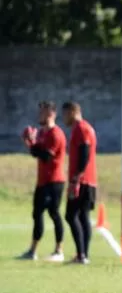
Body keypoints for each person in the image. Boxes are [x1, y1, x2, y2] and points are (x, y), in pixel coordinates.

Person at [19, 100, 67, 261]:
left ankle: (59, 250)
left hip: (55, 181)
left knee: (53, 213)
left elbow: (46, 156)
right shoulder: (41, 132)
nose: (40, 115)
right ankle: (32, 251)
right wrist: (30, 142)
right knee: (37, 213)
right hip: (42, 181)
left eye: (43, 112)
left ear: (52, 114)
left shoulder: (56, 134)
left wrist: (32, 144)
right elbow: (35, 153)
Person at [63, 102, 98, 264]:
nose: (63, 118)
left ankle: (81, 254)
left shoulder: (82, 129)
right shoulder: (82, 129)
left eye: (64, 114)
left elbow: (85, 153)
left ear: (72, 112)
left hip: (82, 180)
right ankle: (83, 255)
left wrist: (77, 177)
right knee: (83, 216)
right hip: (87, 180)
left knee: (71, 215)